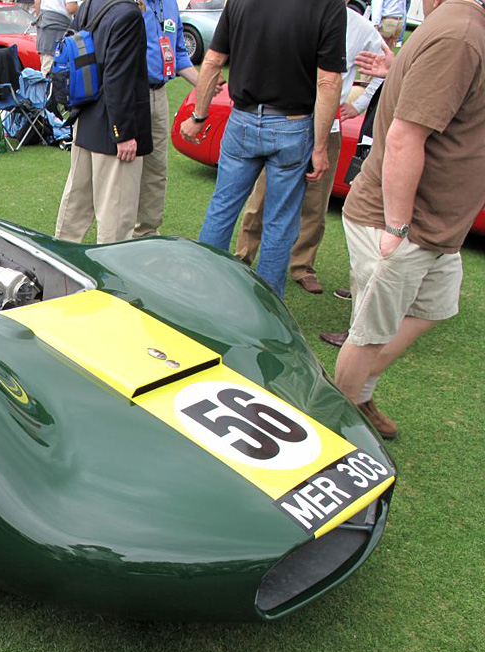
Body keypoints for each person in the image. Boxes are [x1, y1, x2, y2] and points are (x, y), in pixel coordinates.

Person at [330, 0, 485, 440]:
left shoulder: (461, 29)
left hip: (437, 226)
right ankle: (335, 423)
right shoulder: (460, 35)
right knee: (370, 333)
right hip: (403, 223)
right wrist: (396, 228)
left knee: (436, 307)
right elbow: (402, 139)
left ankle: (353, 391)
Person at [180, 0, 346, 298]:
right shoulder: (328, 5)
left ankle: (200, 290)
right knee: (280, 222)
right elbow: (329, 81)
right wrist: (320, 148)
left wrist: (199, 116)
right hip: (292, 126)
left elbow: (213, 60)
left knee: (223, 206)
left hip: (242, 119)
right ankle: (267, 308)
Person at [234, 5, 384, 294]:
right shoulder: (297, 12)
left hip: (327, 127)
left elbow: (387, 68)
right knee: (263, 194)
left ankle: (302, 265)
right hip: (287, 119)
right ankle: (244, 254)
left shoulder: (360, 28)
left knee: (316, 199)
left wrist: (359, 104)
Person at [53, 0, 151, 244]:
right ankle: (108, 278)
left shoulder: (89, 5)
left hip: (86, 117)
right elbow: (118, 76)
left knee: (75, 207)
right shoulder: (127, 14)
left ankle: (59, 268)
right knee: (115, 217)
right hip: (111, 127)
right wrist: (124, 133)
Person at [134, 0, 212, 237]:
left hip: (159, 93)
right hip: (131, 94)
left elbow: (177, 51)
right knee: (126, 171)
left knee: (156, 169)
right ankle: (119, 238)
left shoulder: (169, 4)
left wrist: (205, 85)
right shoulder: (129, 4)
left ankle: (147, 234)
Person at [34, 0, 78, 77]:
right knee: (55, 71)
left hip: (44, 26)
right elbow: (71, 7)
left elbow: (37, 2)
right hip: (58, 28)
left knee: (46, 67)